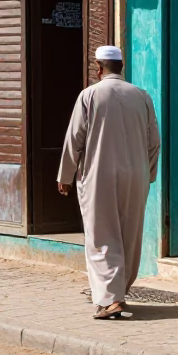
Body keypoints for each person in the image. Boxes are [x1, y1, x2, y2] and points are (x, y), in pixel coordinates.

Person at [57, 46, 160, 320]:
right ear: (122, 66)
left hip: (99, 176)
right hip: (136, 177)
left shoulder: (90, 95)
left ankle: (110, 299)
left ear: (99, 69)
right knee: (129, 235)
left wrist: (65, 176)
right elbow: (154, 142)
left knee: (101, 235)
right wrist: (147, 175)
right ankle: (117, 293)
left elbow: (74, 139)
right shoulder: (142, 96)